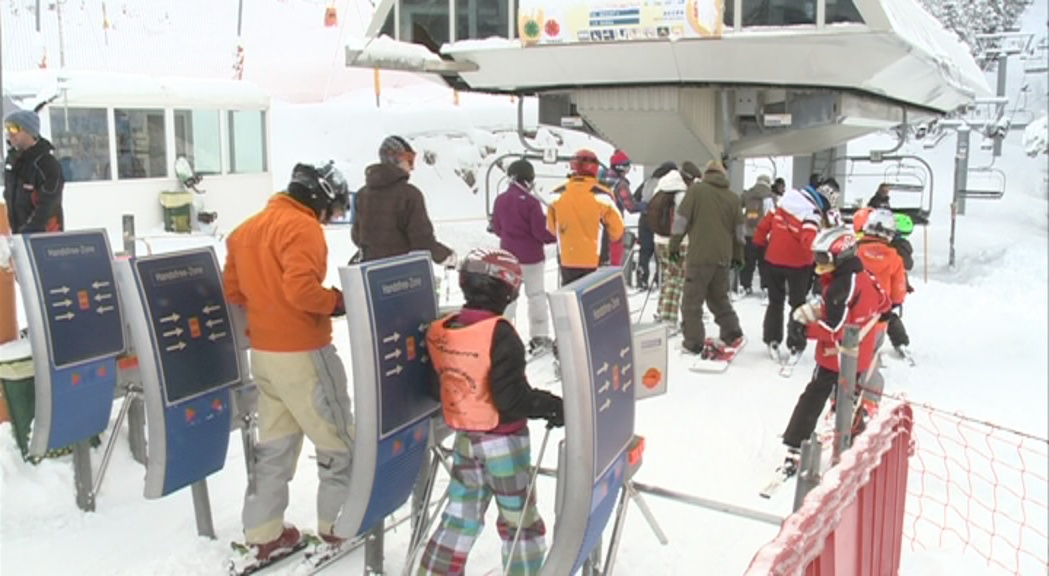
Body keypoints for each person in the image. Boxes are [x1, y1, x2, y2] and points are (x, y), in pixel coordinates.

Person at [223, 161, 355, 561]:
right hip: (304, 353)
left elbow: (234, 290)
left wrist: (268, 309)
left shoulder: (244, 230)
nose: (330, 217)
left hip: (264, 355)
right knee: (338, 439)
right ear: (318, 199)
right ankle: (338, 525)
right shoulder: (302, 228)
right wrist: (337, 302)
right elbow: (301, 291)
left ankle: (263, 533)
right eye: (332, 208)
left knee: (275, 445)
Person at [419, 247, 564, 576]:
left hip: (466, 438)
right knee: (519, 522)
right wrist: (551, 406)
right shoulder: (500, 333)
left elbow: (436, 387)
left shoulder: (444, 329)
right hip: (504, 443)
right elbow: (511, 398)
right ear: (508, 289)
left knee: (461, 514)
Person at [779, 226, 890, 476]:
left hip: (837, 356)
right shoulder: (862, 274)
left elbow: (835, 328)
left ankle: (796, 443)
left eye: (823, 258)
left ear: (839, 256)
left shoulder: (843, 284)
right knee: (848, 398)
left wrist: (803, 330)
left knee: (816, 395)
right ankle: (851, 442)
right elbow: (884, 302)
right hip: (858, 354)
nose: (818, 264)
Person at [752, 178, 837, 361]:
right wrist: (821, 258)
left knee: (775, 302)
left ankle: (772, 338)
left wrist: (758, 245)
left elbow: (763, 227)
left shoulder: (782, 203)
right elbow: (809, 240)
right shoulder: (812, 214)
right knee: (797, 304)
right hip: (798, 265)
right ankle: (795, 341)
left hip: (773, 260)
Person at [668, 160, 745, 358]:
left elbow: (681, 220)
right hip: (723, 258)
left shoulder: (696, 191)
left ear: (706, 173)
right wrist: (738, 256)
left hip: (700, 257)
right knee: (719, 299)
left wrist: (673, 246)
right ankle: (732, 333)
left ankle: (693, 342)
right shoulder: (733, 198)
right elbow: (739, 231)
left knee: (692, 302)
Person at [352, 135, 456, 267]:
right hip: (402, 276)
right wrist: (446, 256)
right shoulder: (409, 195)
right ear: (397, 159)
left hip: (370, 273)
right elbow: (422, 242)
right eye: (409, 160)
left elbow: (357, 237)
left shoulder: (362, 195)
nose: (412, 168)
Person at [490, 158, 557, 355]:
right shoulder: (531, 202)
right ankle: (539, 336)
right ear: (528, 179)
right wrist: (553, 236)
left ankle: (502, 337)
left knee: (509, 298)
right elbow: (539, 231)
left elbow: (497, 228)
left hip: (508, 257)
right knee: (535, 296)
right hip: (532, 258)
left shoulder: (500, 200)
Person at [547, 149, 625, 285]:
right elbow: (617, 231)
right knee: (595, 302)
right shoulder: (602, 195)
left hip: (567, 260)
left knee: (569, 301)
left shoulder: (557, 195)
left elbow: (551, 228)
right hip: (595, 261)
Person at [3, 110, 64, 233]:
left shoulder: (46, 164)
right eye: (7, 128)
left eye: (14, 128)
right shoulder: (12, 162)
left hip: (44, 237)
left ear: (29, 131)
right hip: (18, 234)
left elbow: (49, 204)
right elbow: (9, 196)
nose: (9, 133)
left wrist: (29, 231)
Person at [651, 169, 689, 334]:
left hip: (658, 240)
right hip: (678, 242)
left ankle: (661, 311)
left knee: (667, 275)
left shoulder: (659, 190)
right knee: (676, 278)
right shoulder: (682, 195)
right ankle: (669, 320)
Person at [634, 161, 678, 290]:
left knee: (645, 251)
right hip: (661, 220)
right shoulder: (669, 184)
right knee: (661, 250)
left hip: (644, 219)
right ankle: (660, 279)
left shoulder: (649, 181)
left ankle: (642, 279)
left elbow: (636, 197)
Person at [739, 174, 775, 296]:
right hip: (764, 235)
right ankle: (765, 287)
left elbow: (738, 205)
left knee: (748, 262)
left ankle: (745, 285)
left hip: (748, 233)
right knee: (764, 263)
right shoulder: (771, 196)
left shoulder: (748, 194)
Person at [887, 213, 915, 351]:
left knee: (887, 315)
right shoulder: (899, 246)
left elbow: (905, 265)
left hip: (891, 286)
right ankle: (900, 341)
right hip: (892, 284)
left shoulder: (898, 247)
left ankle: (901, 341)